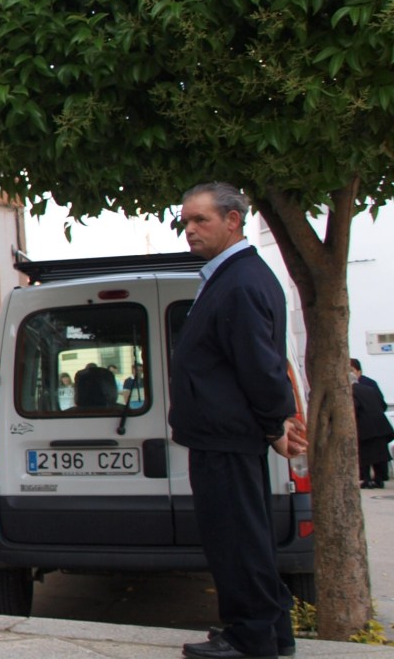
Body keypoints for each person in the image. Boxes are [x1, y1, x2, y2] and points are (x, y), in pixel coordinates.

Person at [170, 182, 308, 659]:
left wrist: (275, 424)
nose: (189, 230)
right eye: (185, 221)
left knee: (236, 538)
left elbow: (261, 365)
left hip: (227, 436)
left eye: (200, 220)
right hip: (221, 434)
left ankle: (251, 636)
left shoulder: (242, 280)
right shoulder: (231, 275)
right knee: (246, 534)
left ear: (232, 220)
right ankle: (272, 631)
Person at [355, 362, 392, 489]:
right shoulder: (370, 388)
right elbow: (383, 405)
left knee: (365, 455)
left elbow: (354, 408)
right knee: (379, 454)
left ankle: (366, 480)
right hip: (380, 426)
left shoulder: (352, 391)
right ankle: (379, 479)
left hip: (365, 428)